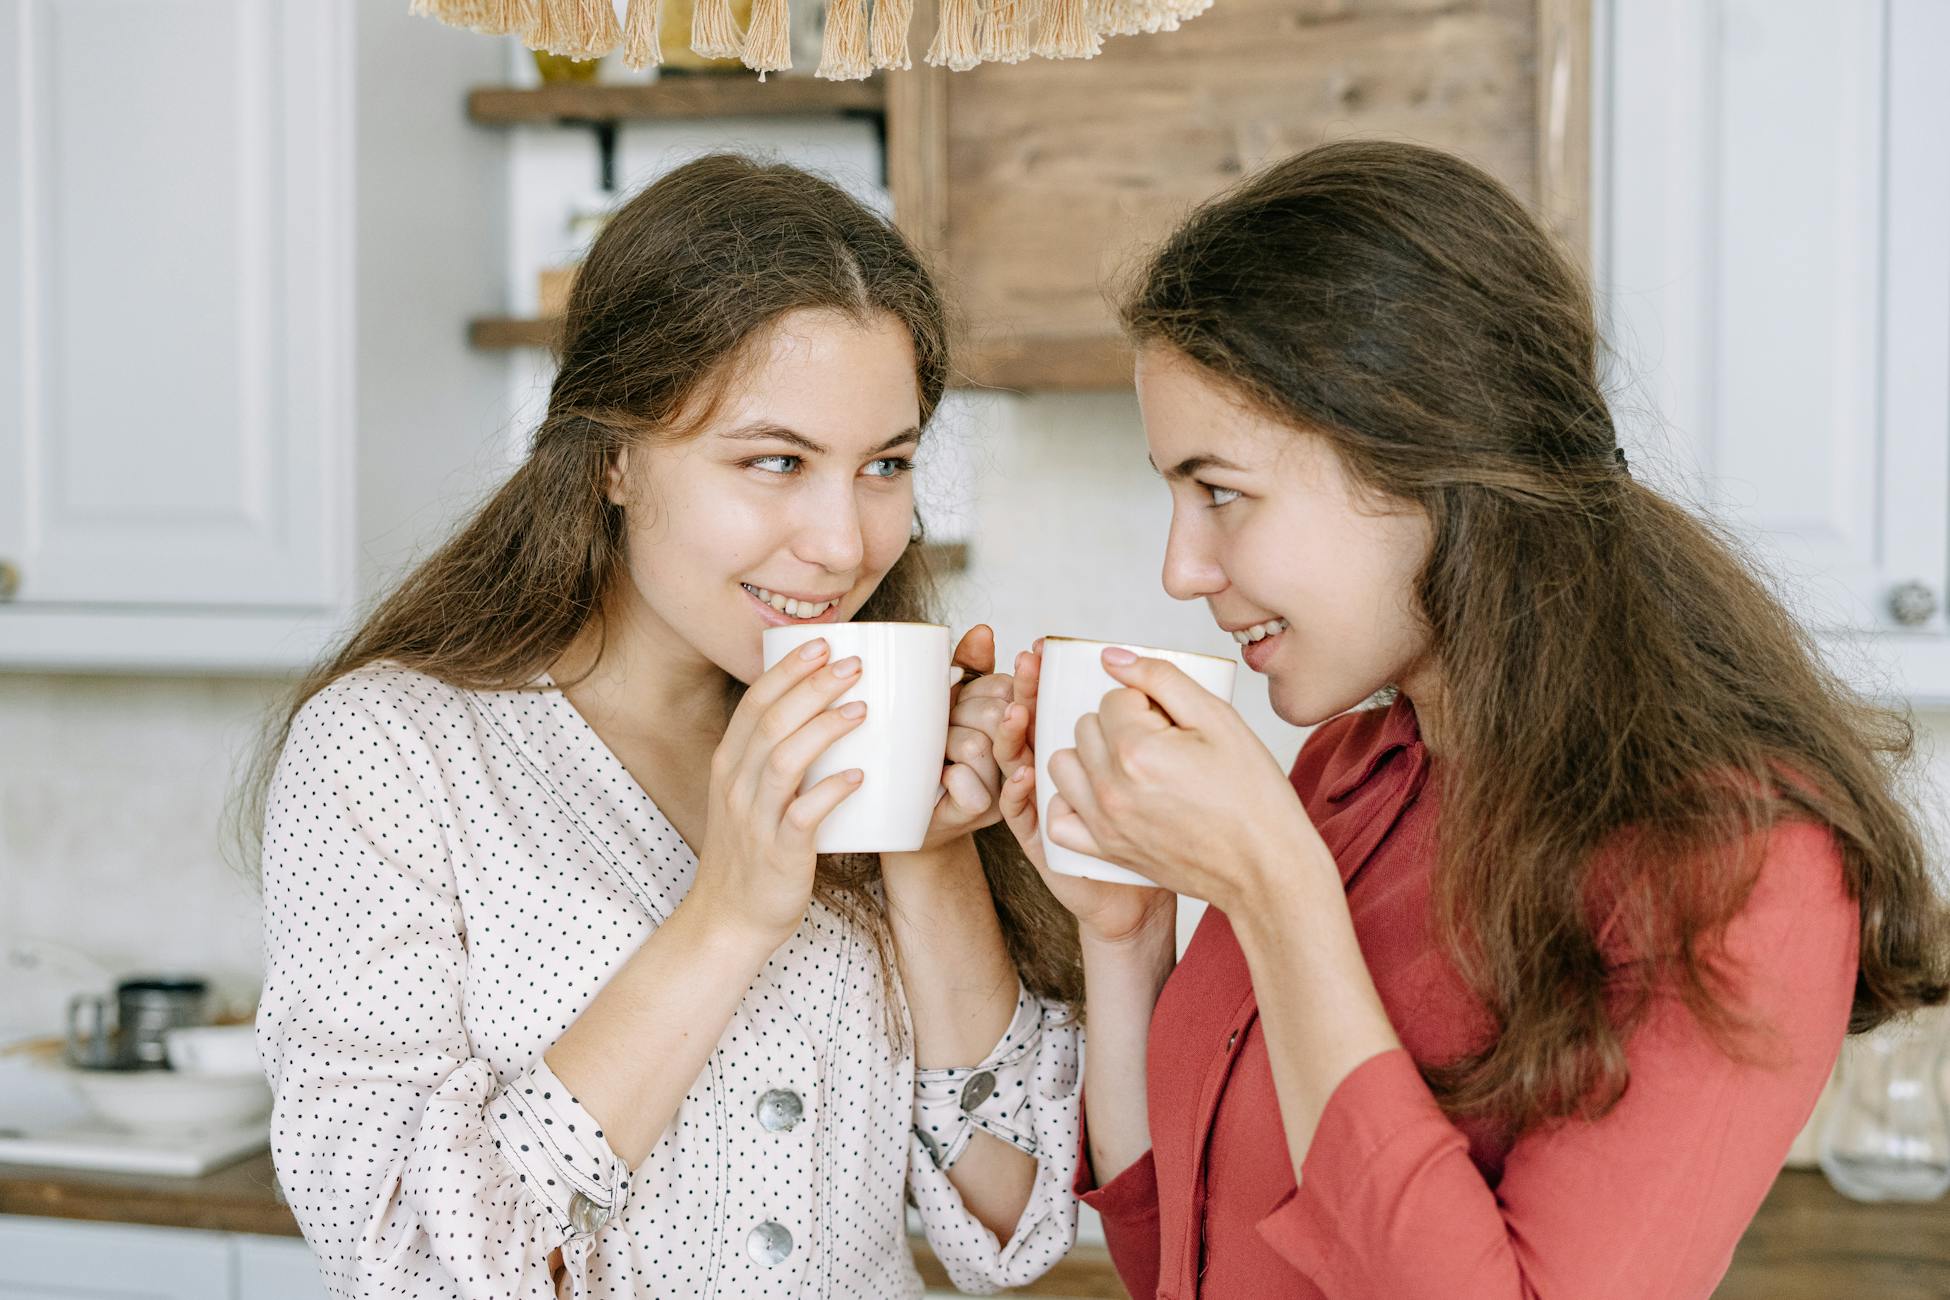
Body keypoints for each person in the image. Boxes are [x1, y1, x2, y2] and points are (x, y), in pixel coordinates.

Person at [992, 140, 1950, 1299]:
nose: (1183, 567)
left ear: (1422, 458)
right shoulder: (1355, 769)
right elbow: (1177, 1260)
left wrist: (1278, 891)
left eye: (1222, 492)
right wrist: (1127, 931)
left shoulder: (1742, 865)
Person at [247, 153, 1083, 1299]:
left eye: (884, 464)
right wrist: (728, 912)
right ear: (614, 458)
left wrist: (927, 848)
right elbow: (415, 1261)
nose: (845, 542)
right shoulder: (394, 751)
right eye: (776, 461)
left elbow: (1016, 1220)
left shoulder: (873, 733)